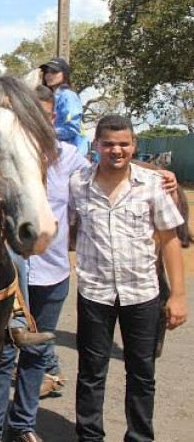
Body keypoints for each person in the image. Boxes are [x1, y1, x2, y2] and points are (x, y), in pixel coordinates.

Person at [70, 114, 187, 442]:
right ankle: (89, 436)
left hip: (143, 294)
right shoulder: (77, 184)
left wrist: (177, 296)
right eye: (108, 144)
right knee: (91, 373)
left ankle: (139, 437)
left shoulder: (152, 184)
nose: (116, 150)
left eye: (123, 144)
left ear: (134, 145)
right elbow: (63, 225)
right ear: (96, 145)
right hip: (94, 294)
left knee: (142, 374)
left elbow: (170, 240)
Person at [0, 85, 90, 442]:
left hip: (52, 272)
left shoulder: (70, 157)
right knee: (2, 353)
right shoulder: (3, 153)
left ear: (53, 117)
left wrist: (156, 175)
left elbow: (102, 181)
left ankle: (23, 425)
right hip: (8, 276)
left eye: (42, 115)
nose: (35, 121)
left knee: (38, 351)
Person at [40, 57, 88, 155]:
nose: (49, 75)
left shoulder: (67, 95)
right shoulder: (52, 97)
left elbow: (72, 129)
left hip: (71, 155)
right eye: (47, 72)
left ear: (64, 74)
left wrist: (45, 132)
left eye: (54, 71)